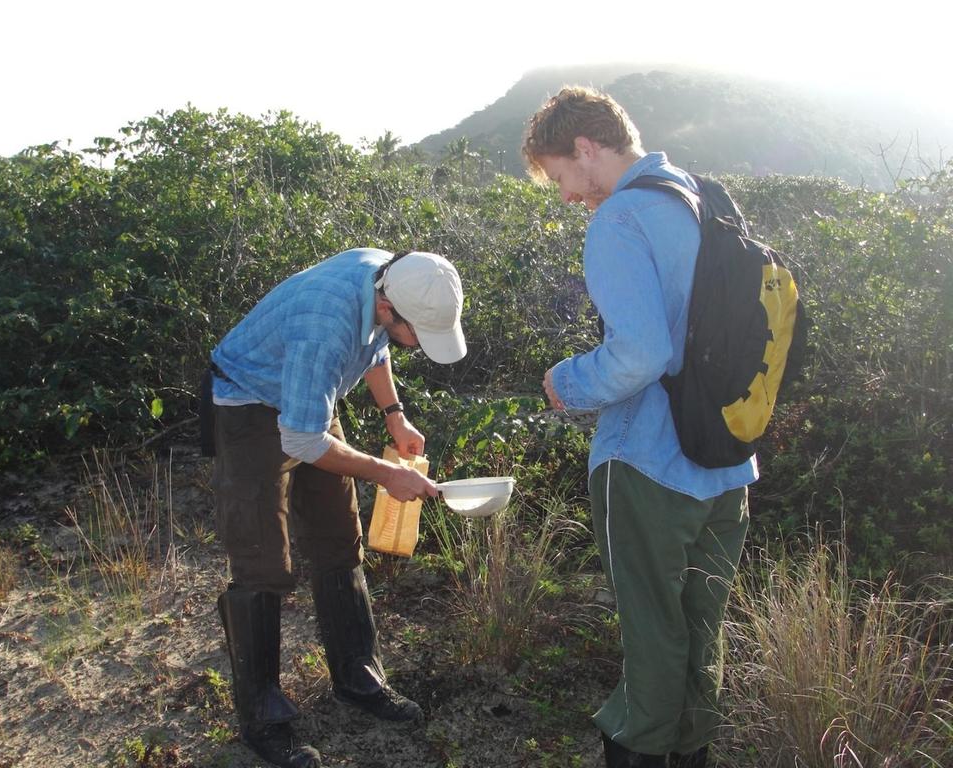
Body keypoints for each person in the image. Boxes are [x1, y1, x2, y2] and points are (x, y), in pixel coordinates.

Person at [523, 87, 755, 768]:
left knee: (654, 635)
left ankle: (635, 752)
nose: (568, 197)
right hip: (727, 464)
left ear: (586, 149)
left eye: (562, 177)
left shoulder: (622, 218)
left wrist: (566, 381)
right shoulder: (704, 199)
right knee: (699, 631)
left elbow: (644, 353)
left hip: (651, 464)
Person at [206, 248, 466, 768]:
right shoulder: (325, 323)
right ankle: (264, 719)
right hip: (251, 401)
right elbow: (303, 440)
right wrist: (387, 473)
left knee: (338, 540)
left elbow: (376, 349)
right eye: (419, 334)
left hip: (306, 398)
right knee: (262, 561)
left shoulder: (389, 273)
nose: (419, 345)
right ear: (389, 308)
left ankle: (358, 679)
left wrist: (394, 415)